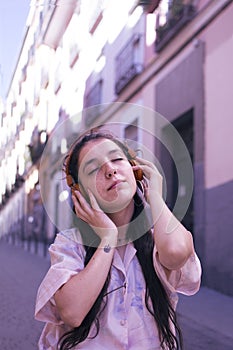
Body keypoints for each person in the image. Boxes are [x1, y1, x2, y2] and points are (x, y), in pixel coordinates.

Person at [35, 129, 201, 350]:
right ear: (79, 192)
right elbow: (72, 313)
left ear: (136, 170)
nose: (110, 170)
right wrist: (108, 238)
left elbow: (176, 253)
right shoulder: (69, 244)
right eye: (93, 168)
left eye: (116, 159)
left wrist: (155, 196)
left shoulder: (157, 236)